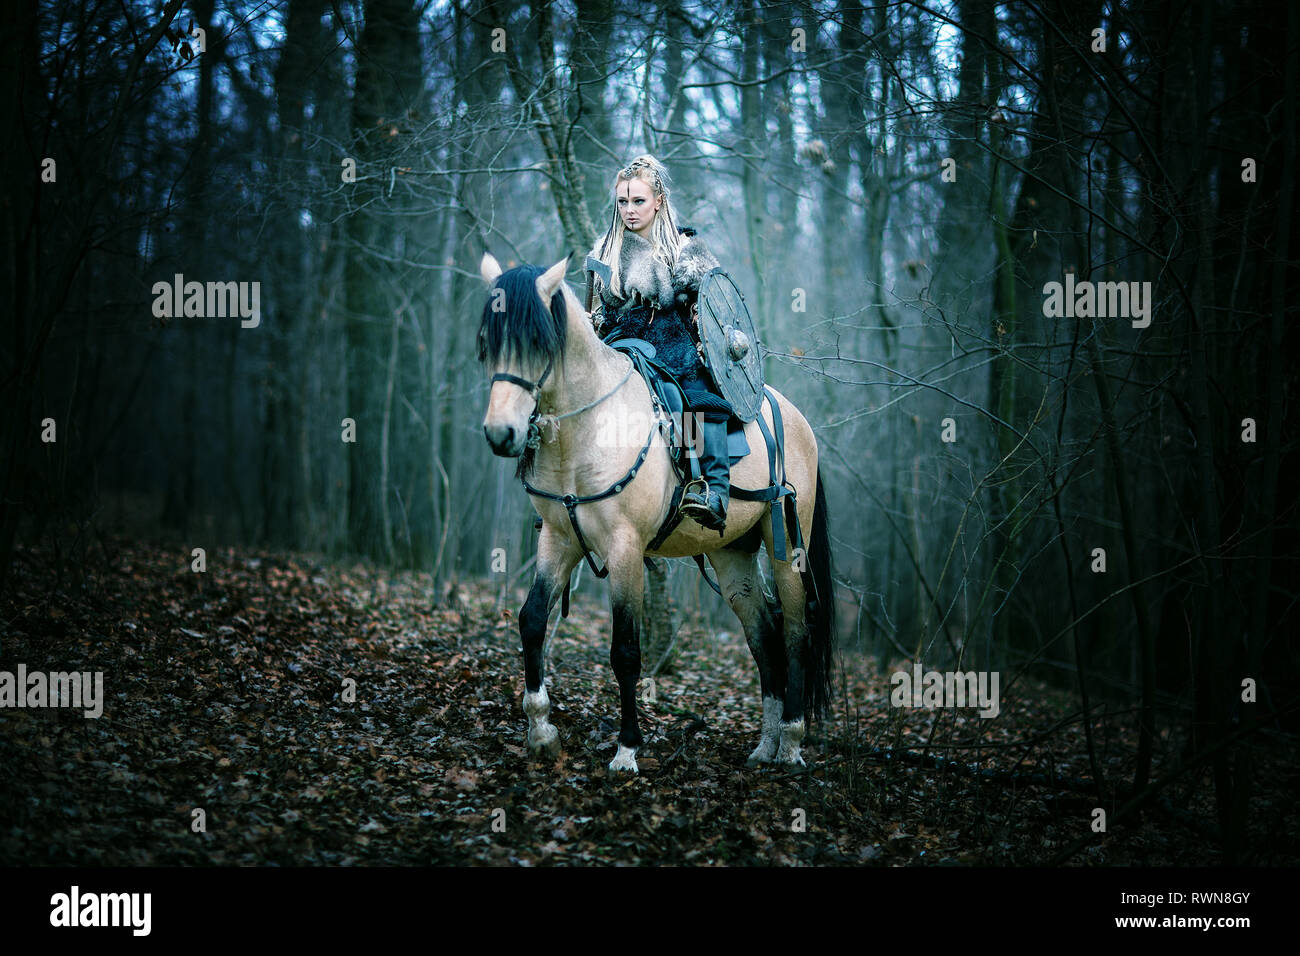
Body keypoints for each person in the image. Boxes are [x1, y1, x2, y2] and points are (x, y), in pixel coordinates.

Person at [585, 155, 731, 532]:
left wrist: (704, 344)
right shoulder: (605, 251)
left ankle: (714, 490)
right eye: (622, 202)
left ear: (658, 201)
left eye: (638, 201)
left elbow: (713, 309)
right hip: (620, 340)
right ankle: (573, 493)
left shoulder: (685, 249)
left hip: (672, 339)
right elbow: (601, 310)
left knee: (696, 398)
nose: (629, 210)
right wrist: (592, 324)